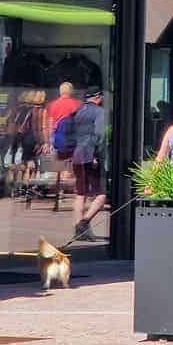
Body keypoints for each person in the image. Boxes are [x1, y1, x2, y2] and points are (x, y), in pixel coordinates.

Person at [68, 88, 108, 242]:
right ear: (98, 97)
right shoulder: (99, 112)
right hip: (91, 155)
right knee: (101, 195)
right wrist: (97, 155)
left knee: (80, 194)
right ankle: (84, 223)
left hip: (77, 155)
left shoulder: (78, 111)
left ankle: (79, 230)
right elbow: (99, 135)